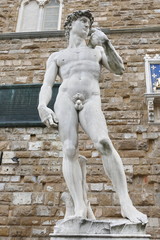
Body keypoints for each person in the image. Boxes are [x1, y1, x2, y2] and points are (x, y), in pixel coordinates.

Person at [38, 10, 148, 224]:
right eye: (83, 21)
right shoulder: (57, 56)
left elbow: (119, 69)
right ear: (70, 25)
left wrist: (106, 43)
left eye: (89, 23)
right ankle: (79, 205)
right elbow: (47, 84)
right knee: (69, 149)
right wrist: (43, 105)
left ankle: (126, 202)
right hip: (65, 99)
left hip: (91, 99)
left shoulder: (97, 50)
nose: (87, 25)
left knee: (104, 143)